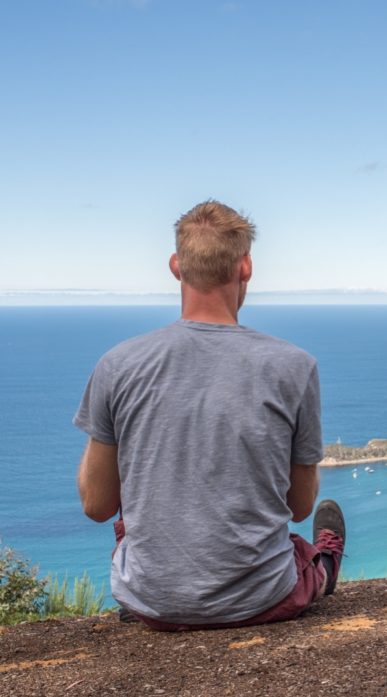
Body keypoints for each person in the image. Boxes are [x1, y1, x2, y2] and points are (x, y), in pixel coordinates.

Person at [73, 199, 345, 631]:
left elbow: (96, 504)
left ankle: (163, 580)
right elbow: (299, 505)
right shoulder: (295, 366)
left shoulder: (117, 365)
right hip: (260, 601)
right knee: (297, 551)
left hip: (149, 602)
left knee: (129, 524)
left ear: (176, 266)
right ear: (246, 267)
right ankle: (327, 564)